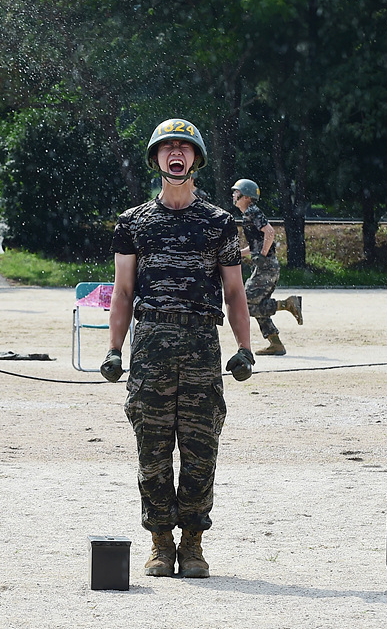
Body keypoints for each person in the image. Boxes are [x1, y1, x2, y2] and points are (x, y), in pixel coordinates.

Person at [101, 118, 254, 580]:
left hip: (201, 345)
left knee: (200, 447)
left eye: (184, 148)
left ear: (196, 159)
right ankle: (160, 543)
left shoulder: (220, 223)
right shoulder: (133, 223)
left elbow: (234, 291)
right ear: (156, 159)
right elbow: (123, 290)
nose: (176, 153)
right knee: (152, 448)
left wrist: (245, 347)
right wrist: (113, 348)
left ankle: (193, 544)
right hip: (150, 347)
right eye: (167, 147)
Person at [230, 178, 301, 356]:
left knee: (245, 302)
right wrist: (240, 253)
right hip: (265, 266)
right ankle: (275, 343)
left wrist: (262, 255)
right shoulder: (248, 213)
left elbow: (269, 232)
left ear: (246, 196)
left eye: (236, 192)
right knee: (256, 304)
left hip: (266, 266)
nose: (233, 195)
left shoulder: (252, 211)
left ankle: (287, 304)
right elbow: (256, 244)